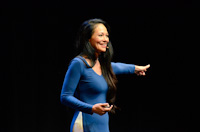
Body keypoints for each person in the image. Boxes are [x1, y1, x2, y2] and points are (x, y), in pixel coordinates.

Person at [60, 18, 150, 132]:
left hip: (101, 125)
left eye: (107, 36)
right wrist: (91, 108)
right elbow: (65, 97)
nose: (105, 39)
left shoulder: (102, 65)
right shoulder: (78, 63)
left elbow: (117, 66)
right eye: (101, 35)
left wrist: (136, 68)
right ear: (88, 39)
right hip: (85, 123)